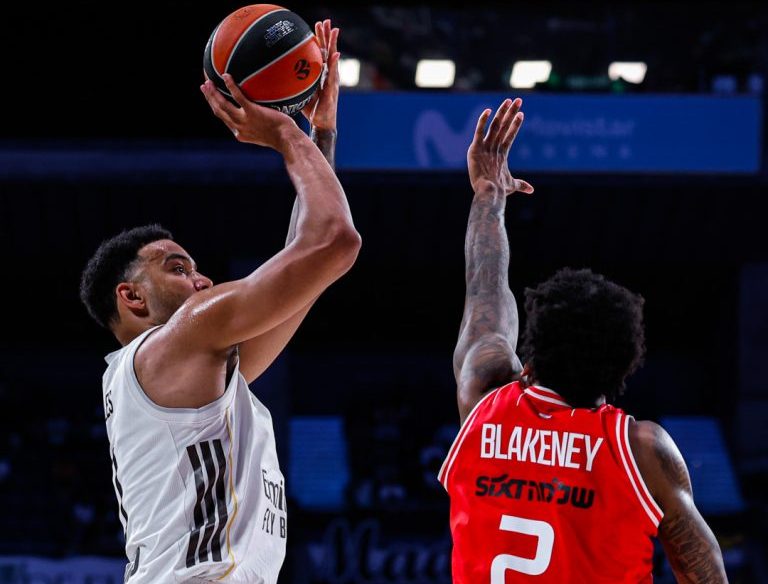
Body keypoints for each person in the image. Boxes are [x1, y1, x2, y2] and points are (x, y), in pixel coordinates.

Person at [79, 21, 360, 583]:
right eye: (177, 268)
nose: (202, 280)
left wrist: (320, 134)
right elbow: (333, 242)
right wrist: (286, 135)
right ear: (131, 297)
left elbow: (306, 264)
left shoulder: (189, 371)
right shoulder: (181, 340)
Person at [439, 98, 728, 583]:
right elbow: (707, 575)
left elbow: (485, 287)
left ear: (530, 357)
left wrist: (488, 194)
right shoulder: (642, 449)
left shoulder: (482, 398)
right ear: (624, 367)